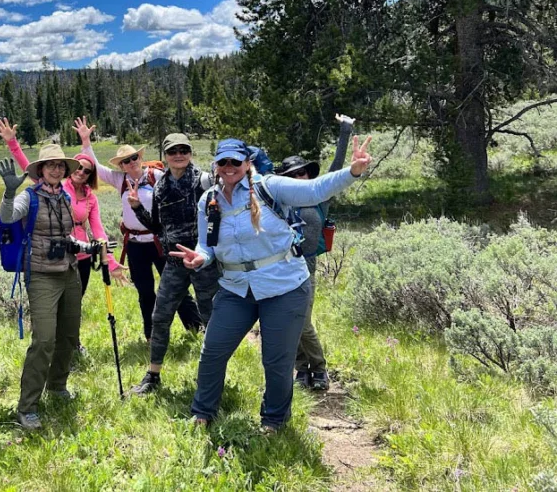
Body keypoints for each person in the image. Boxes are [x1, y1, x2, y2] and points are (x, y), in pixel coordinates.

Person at [174, 135, 372, 433]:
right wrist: (200, 258)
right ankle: (203, 411)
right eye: (223, 162)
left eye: (235, 162)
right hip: (236, 288)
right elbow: (207, 245)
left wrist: (352, 170)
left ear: (247, 163)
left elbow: (314, 190)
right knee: (213, 350)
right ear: (215, 165)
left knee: (276, 361)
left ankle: (274, 421)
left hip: (285, 286)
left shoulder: (269, 187)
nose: (229, 168)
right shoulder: (209, 201)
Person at [0, 118, 128, 355]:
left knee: (72, 307)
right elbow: (30, 165)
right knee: (49, 308)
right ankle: (48, 345)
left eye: (88, 171)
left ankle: (71, 345)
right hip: (48, 258)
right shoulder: (56, 186)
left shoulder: (90, 198)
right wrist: (12, 143)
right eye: (80, 168)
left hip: (80, 257)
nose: (83, 173)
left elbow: (98, 231)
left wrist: (112, 261)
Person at [74, 117, 202, 341]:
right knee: (145, 292)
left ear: (140, 157)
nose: (131, 162)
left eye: (134, 157)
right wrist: (86, 141)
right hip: (134, 245)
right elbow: (94, 165)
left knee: (175, 287)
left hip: (161, 242)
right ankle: (152, 335)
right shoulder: (118, 180)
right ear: (121, 165)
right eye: (125, 161)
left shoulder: (157, 177)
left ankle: (196, 328)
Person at [0, 144, 91, 431]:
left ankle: (58, 385)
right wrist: (10, 192)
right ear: (40, 169)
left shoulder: (63, 195)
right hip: (41, 275)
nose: (56, 169)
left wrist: (86, 246)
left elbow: (66, 234)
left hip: (69, 270)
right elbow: (8, 217)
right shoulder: (29, 197)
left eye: (60, 165)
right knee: (45, 340)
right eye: (50, 165)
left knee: (68, 334)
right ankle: (27, 407)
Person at [127, 133, 221, 395]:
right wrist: (136, 208)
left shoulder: (204, 181)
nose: (179, 155)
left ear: (190, 153)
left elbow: (216, 221)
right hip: (173, 262)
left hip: (202, 261)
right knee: (160, 317)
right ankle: (153, 375)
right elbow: (157, 226)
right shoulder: (159, 187)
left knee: (210, 318)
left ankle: (211, 376)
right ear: (165, 155)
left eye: (184, 150)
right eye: (173, 151)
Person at [278, 114, 355, 391]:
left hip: (306, 265)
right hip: (281, 266)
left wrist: (345, 132)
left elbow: (337, 169)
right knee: (288, 320)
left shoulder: (320, 196)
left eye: (302, 173)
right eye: (292, 175)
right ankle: (301, 370)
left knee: (302, 321)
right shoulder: (279, 198)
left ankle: (319, 368)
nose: (299, 177)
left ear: (309, 174)